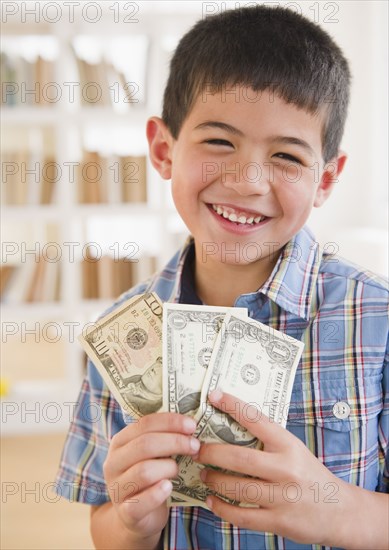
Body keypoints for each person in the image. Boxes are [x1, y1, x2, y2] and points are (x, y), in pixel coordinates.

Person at [55, 5, 388, 549]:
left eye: (285, 156)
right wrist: (131, 524)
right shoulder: (121, 331)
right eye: (219, 142)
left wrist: (335, 509)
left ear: (325, 178)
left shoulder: (377, 316)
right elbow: (106, 526)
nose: (248, 181)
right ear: (164, 150)